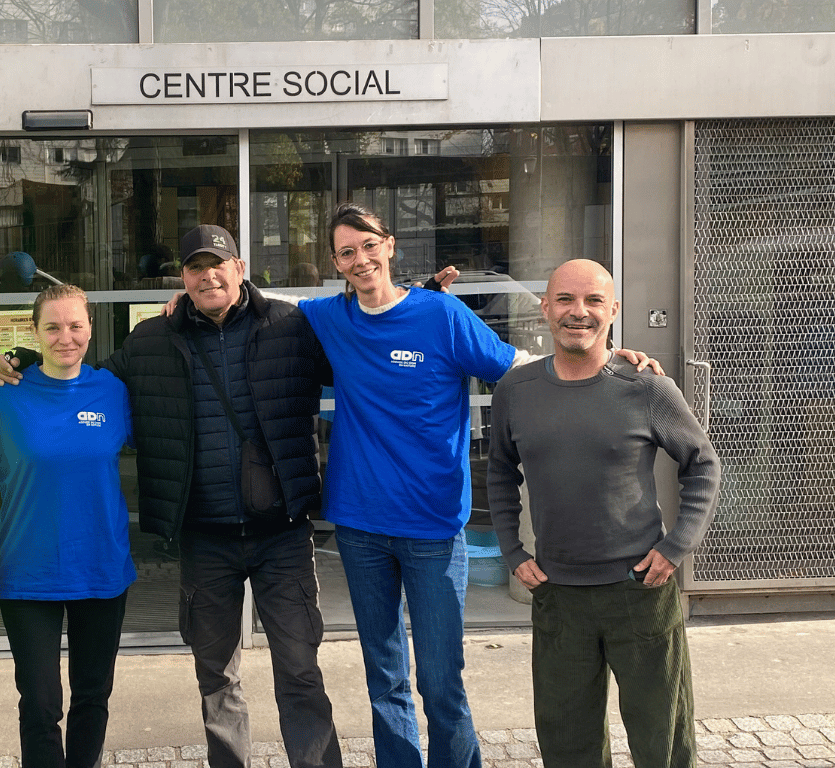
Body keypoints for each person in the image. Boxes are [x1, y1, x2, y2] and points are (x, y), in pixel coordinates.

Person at [300, 202, 663, 768]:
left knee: (442, 681)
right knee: (384, 677)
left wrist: (607, 354)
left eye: (369, 246)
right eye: (347, 252)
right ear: (336, 262)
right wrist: (183, 304)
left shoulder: (442, 317)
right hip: (359, 523)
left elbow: (519, 365)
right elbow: (265, 305)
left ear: (389, 245)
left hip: (433, 527)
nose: (361, 259)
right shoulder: (331, 318)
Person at [0, 224, 342, 768]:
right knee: (216, 678)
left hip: (282, 535)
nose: (208, 275)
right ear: (182, 277)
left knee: (299, 669)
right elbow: (77, 380)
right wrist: (21, 359)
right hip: (205, 540)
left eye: (218, 264)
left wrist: (415, 306)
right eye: (196, 267)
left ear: (240, 269)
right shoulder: (151, 341)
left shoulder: (290, 325)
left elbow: (355, 352)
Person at [487, 259, 720, 768]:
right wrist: (512, 551)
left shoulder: (648, 388)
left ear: (613, 311)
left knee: (662, 737)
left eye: (594, 300)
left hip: (641, 589)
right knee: (568, 743)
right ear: (545, 308)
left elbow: (703, 464)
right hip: (557, 593)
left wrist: (676, 546)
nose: (579, 312)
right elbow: (499, 473)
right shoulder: (515, 392)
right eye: (566, 300)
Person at [0, 284, 136, 768]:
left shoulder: (113, 390)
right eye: (52, 326)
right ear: (34, 331)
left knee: (93, 694)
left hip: (101, 566)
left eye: (75, 325)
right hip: (28, 570)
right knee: (41, 703)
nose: (64, 337)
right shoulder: (1, 393)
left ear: (91, 328)